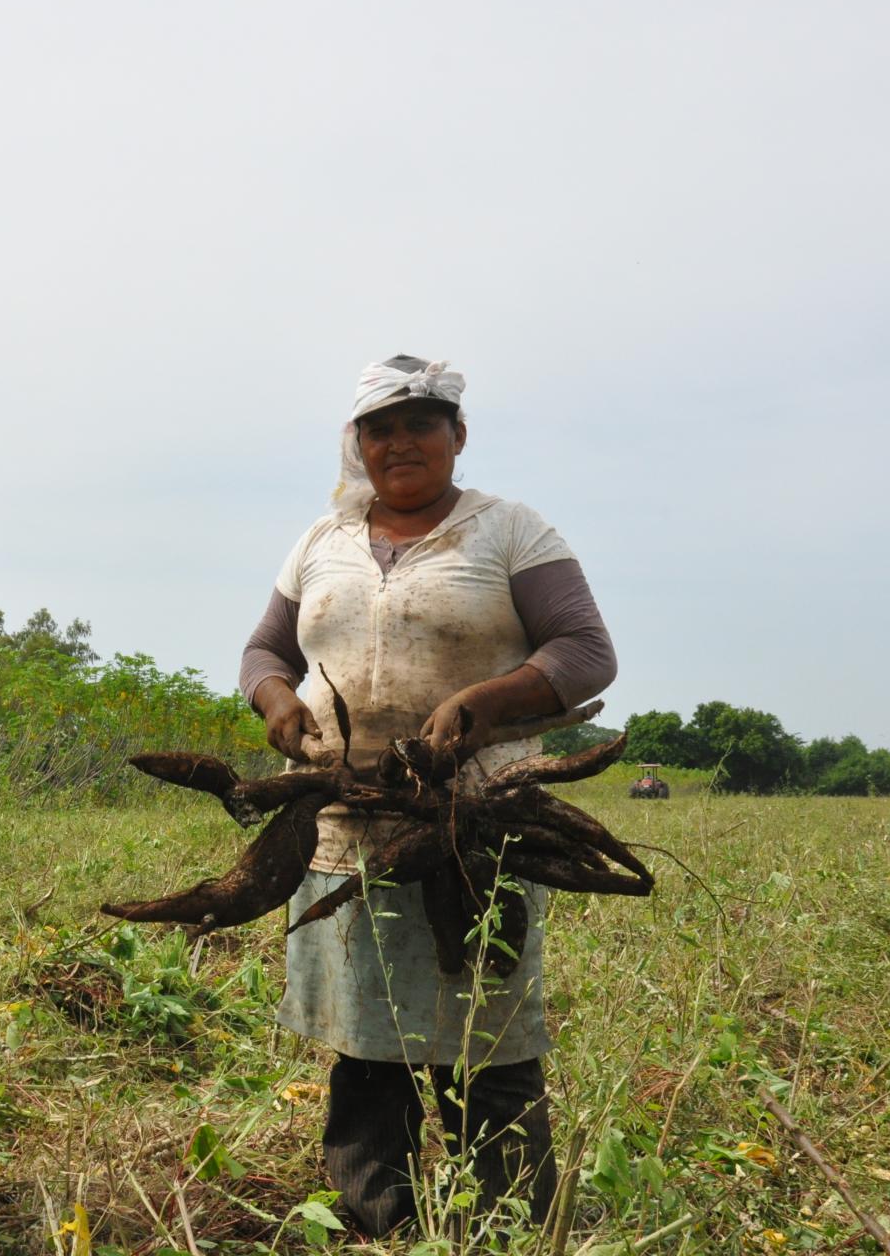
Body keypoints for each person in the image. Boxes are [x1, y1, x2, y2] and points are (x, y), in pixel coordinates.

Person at [238, 355, 616, 1237]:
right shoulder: (320, 542)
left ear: (458, 436)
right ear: (358, 444)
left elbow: (585, 650)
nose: (399, 441)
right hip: (342, 828)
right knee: (367, 1044)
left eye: (421, 422)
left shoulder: (509, 532)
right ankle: (382, 1224)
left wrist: (484, 703)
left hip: (476, 823)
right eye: (380, 427)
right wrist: (277, 702)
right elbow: (263, 653)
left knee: (489, 1038)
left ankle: (515, 1223)